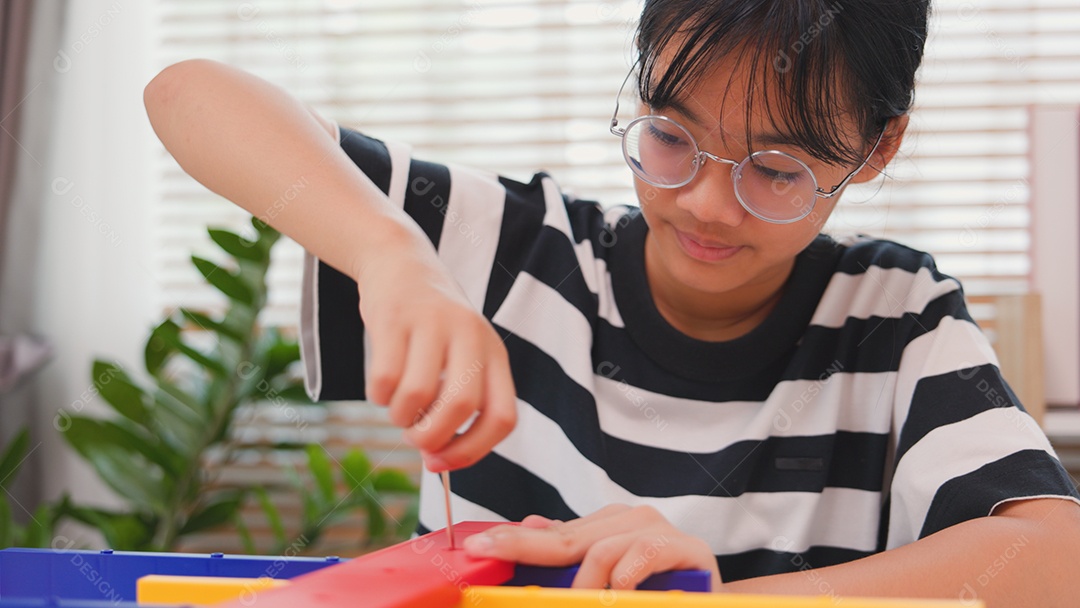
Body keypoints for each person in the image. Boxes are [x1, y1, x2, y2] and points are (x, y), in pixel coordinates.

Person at [143, 0, 1080, 604]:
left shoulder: (895, 317)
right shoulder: (512, 248)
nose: (706, 205)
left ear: (877, 149)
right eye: (671, 136)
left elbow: (1055, 556)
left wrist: (715, 603)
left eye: (777, 169)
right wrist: (393, 259)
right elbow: (185, 93)